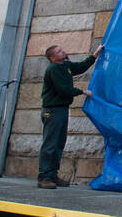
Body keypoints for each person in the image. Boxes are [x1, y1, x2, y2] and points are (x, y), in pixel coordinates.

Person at [38, 43, 102, 189]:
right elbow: (63, 90)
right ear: (52, 58)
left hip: (60, 110)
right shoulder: (53, 69)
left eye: (62, 49)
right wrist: (83, 92)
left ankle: (52, 175)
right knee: (50, 144)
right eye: (59, 51)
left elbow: (80, 67)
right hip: (52, 111)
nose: (63, 51)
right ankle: (44, 177)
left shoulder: (64, 66)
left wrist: (95, 54)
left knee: (59, 142)